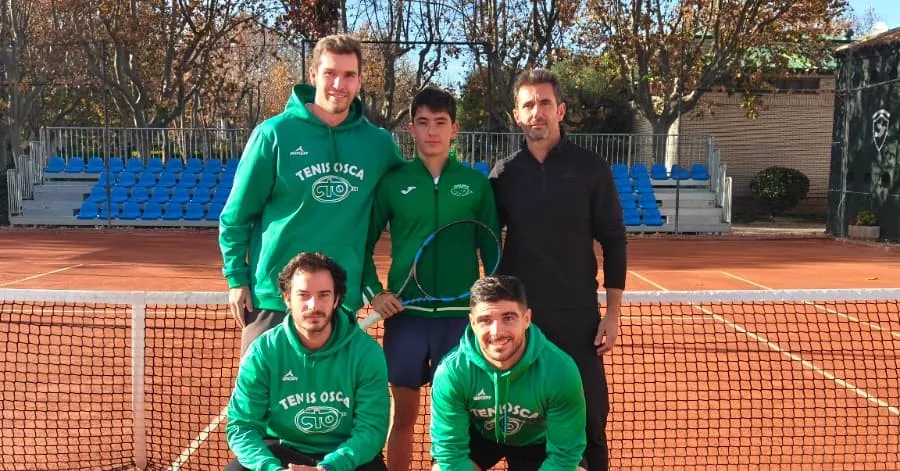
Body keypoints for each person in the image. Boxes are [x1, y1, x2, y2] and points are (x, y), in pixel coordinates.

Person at [219, 34, 404, 354]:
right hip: (275, 299)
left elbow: (410, 192)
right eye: (330, 73)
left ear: (360, 81)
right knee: (260, 387)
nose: (339, 84)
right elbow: (236, 216)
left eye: (349, 75)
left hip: (339, 302)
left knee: (332, 388)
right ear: (314, 75)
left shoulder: (378, 144)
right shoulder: (273, 135)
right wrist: (236, 277)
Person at [489, 68, 627, 471]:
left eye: (545, 103)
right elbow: (484, 239)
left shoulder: (591, 168)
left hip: (577, 317)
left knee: (589, 420)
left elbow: (614, 239)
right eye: (528, 105)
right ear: (517, 115)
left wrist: (612, 314)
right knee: (525, 422)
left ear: (560, 110)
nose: (538, 112)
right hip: (522, 321)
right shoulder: (503, 174)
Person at [360, 87, 500, 471]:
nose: (432, 131)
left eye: (440, 123)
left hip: (459, 321)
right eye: (423, 123)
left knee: (455, 422)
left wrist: (491, 310)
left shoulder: (476, 185)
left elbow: (493, 254)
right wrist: (375, 294)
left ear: (455, 129)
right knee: (403, 417)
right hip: (405, 318)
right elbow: (362, 246)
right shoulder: (393, 183)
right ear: (412, 129)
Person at [225, 252, 390, 471]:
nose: (313, 305)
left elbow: (371, 429)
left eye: (324, 295)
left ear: (337, 299)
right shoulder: (264, 351)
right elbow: (242, 426)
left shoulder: (366, 353)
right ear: (287, 298)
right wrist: (271, 469)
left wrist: (329, 467)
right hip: (283, 450)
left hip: (346, 454)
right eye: (303, 295)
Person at [430, 275, 588, 471]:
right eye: (485, 320)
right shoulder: (453, 372)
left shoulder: (559, 370)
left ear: (526, 319)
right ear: (472, 323)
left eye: (508, 318)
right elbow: (450, 453)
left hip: (539, 442)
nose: (497, 332)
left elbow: (564, 456)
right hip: (479, 437)